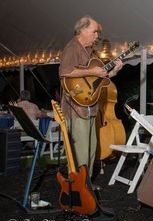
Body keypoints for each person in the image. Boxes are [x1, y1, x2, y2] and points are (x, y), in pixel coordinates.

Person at [59, 15, 123, 179]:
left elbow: (100, 78)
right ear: (82, 30)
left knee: (91, 149)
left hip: (89, 107)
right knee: (80, 151)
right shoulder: (72, 48)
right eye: (94, 32)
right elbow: (65, 72)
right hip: (76, 108)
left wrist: (114, 70)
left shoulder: (90, 52)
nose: (97, 36)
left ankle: (86, 185)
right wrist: (92, 71)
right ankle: (78, 187)